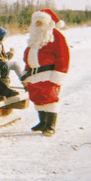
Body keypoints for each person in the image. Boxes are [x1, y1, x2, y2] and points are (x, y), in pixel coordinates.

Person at [22, 9, 70, 137]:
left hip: (49, 75)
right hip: (33, 75)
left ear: (47, 22)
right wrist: (26, 72)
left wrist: (59, 75)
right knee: (37, 98)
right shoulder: (33, 37)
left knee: (50, 98)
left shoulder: (55, 36)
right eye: (36, 22)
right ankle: (42, 122)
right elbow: (28, 56)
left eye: (41, 22)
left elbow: (63, 56)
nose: (38, 24)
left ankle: (50, 125)